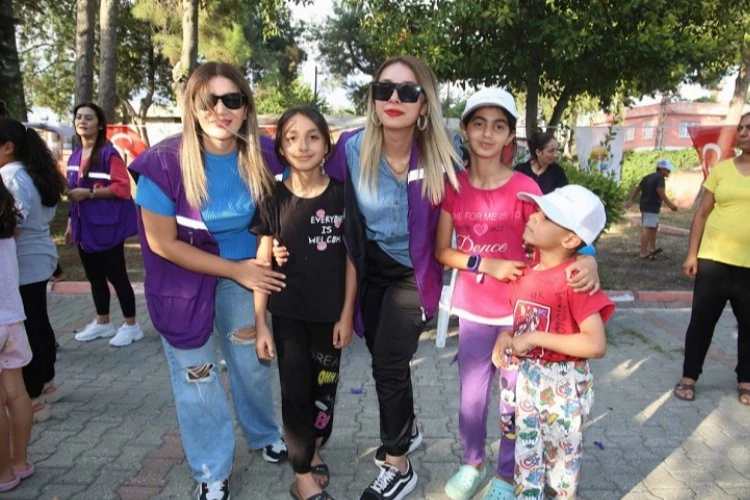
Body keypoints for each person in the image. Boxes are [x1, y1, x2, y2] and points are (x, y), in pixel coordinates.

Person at [129, 61, 288, 500]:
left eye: (231, 99)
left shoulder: (266, 153)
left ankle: (264, 434)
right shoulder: (163, 163)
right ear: (192, 106)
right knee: (198, 377)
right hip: (184, 283)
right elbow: (162, 243)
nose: (220, 110)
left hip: (243, 277)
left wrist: (277, 246)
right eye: (208, 100)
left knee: (251, 361)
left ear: (246, 106)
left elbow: (288, 208)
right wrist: (237, 269)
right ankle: (211, 470)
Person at [435, 89, 600, 500]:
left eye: (499, 126)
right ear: (465, 130)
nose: (487, 134)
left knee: (515, 402)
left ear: (510, 136)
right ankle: (472, 464)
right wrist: (485, 264)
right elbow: (442, 251)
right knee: (472, 398)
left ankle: (507, 475)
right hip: (474, 312)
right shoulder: (453, 185)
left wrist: (590, 261)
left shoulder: (526, 187)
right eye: (478, 124)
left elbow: (563, 236)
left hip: (521, 318)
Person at [310, 55, 462, 500]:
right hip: (368, 269)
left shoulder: (443, 154)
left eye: (408, 91)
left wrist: (579, 253)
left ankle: (398, 463)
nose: (394, 98)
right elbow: (318, 197)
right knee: (383, 353)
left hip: (415, 273)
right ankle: (406, 427)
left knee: (389, 365)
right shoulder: (351, 149)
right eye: (384, 89)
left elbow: (483, 205)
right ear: (373, 98)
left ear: (424, 103)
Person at [252, 106, 356, 500]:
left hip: (329, 318)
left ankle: (312, 448)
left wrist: (346, 314)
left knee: (323, 395)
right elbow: (262, 263)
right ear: (280, 147)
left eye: (313, 136)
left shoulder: (343, 196)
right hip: (288, 316)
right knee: (295, 393)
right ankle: (302, 477)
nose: (303, 146)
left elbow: (352, 260)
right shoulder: (273, 198)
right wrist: (260, 324)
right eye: (292, 138)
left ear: (327, 145)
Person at [492, 184, 615, 499]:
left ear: (570, 240)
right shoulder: (524, 274)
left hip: (563, 387)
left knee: (562, 469)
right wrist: (506, 337)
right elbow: (521, 322)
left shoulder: (576, 280)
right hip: (527, 383)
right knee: (526, 459)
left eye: (546, 217)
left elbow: (595, 344)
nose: (533, 217)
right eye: (537, 211)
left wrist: (535, 338)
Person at [674, 112, 750, 405]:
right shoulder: (722, 170)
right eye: (740, 128)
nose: (742, 133)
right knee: (701, 322)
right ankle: (689, 377)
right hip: (714, 260)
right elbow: (702, 213)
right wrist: (692, 254)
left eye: (749, 128)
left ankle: (745, 379)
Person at [0, 118, 66, 423]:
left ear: (8, 147)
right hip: (37, 257)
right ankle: (46, 383)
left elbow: (12, 225)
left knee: (29, 327)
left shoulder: (10, 176)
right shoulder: (29, 172)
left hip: (23, 260)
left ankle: (33, 395)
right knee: (38, 321)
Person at [66, 103, 143, 347]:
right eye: (79, 117)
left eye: (88, 118)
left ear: (99, 125)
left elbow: (123, 188)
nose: (82, 121)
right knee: (95, 277)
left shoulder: (109, 154)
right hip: (84, 227)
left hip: (107, 227)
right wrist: (70, 221)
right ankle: (103, 322)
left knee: (117, 276)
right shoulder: (75, 155)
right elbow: (72, 193)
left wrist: (90, 194)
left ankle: (132, 326)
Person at [0, 181, 34, 492]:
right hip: (12, 321)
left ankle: (3, 474)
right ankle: (19, 461)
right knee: (17, 393)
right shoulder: (8, 228)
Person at [624, 159, 678, 259]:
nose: (669, 172)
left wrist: (631, 199)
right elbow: (660, 191)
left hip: (644, 205)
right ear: (661, 169)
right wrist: (670, 205)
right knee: (648, 228)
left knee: (654, 226)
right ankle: (643, 252)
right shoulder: (660, 178)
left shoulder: (647, 177)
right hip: (652, 206)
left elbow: (638, 188)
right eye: (667, 170)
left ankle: (652, 248)